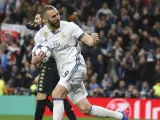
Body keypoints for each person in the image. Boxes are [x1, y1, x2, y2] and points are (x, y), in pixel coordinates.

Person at [32, 5, 129, 120]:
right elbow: (34, 60)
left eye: (57, 14)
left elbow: (89, 41)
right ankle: (121, 115)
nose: (57, 17)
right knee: (85, 108)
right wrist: (37, 59)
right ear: (45, 20)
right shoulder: (40, 36)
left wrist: (93, 39)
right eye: (53, 16)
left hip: (76, 64)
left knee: (56, 94)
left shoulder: (70, 27)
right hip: (64, 72)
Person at [26, 11, 77, 120]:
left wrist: (38, 25)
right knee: (56, 95)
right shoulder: (41, 34)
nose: (35, 21)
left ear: (44, 20)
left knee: (42, 95)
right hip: (53, 66)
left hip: (52, 66)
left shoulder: (50, 29)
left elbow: (31, 25)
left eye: (37, 18)